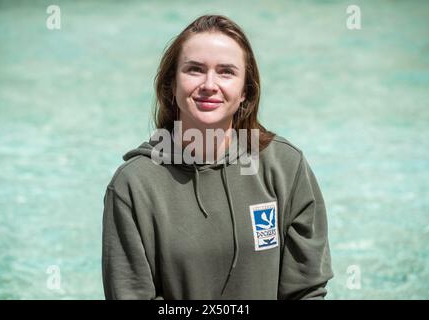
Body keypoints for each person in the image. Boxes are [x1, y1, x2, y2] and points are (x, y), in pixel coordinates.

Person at [102, 14, 333, 300]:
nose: (210, 84)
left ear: (245, 92)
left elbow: (307, 290)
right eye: (195, 69)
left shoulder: (286, 166)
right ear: (171, 87)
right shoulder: (133, 184)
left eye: (226, 72)